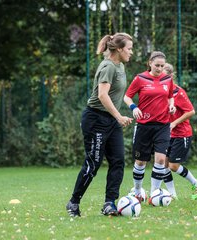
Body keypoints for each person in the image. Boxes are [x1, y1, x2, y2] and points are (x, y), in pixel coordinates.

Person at [66, 33, 133, 217]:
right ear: (119, 49)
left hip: (111, 121)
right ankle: (74, 202)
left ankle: (109, 203)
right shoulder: (108, 66)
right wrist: (119, 116)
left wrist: (117, 117)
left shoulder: (120, 66)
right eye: (129, 48)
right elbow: (102, 95)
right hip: (96, 120)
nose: (131, 52)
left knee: (118, 161)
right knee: (93, 163)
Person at [123, 51, 176, 200]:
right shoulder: (140, 78)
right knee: (140, 161)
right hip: (144, 125)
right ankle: (138, 191)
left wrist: (172, 106)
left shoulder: (167, 79)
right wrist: (134, 108)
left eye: (162, 65)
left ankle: (154, 193)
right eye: (157, 65)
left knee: (160, 159)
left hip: (163, 125)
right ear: (150, 63)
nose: (159, 68)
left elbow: (170, 96)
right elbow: (127, 96)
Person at [161, 63, 197, 200]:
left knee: (173, 166)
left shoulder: (179, 92)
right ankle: (172, 194)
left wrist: (174, 123)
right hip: (167, 133)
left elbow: (191, 111)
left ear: (171, 76)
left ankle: (195, 182)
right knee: (163, 165)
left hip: (181, 134)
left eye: (165, 76)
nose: (162, 78)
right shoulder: (161, 92)